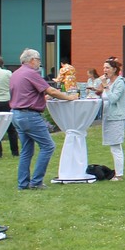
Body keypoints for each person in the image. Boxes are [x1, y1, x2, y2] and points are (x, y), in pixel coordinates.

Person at [10, 48, 77, 190]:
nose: (39, 63)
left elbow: (25, 94)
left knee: (26, 150)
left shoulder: (16, 74)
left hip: (16, 114)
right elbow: (51, 90)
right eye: (39, 60)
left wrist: (41, 98)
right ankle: (36, 182)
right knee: (48, 146)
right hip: (30, 115)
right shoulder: (31, 73)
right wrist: (69, 97)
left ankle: (23, 183)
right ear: (32, 60)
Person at [94, 58, 125, 181]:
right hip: (108, 116)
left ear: (114, 69)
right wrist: (99, 90)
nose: (105, 70)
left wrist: (105, 86)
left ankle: (119, 175)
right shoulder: (109, 82)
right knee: (113, 146)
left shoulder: (120, 83)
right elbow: (105, 95)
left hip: (117, 117)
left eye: (107, 68)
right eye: (104, 68)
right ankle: (117, 173)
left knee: (116, 146)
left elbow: (113, 99)